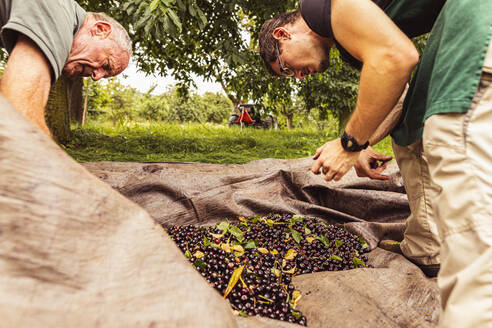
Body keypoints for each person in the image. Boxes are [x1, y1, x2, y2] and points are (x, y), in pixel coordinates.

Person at [259, 0, 492, 326]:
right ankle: (426, 247)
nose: (298, 76)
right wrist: (359, 145)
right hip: (454, 22)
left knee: (447, 134)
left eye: (286, 68)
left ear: (283, 35)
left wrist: (349, 143)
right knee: (410, 130)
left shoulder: (325, 6)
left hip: (478, 19)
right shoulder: (350, 46)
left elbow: (397, 58)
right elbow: (398, 93)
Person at [0, 0, 132, 136]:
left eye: (104, 76)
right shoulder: (58, 13)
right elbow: (18, 119)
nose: (96, 77)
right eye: (106, 65)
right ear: (100, 30)